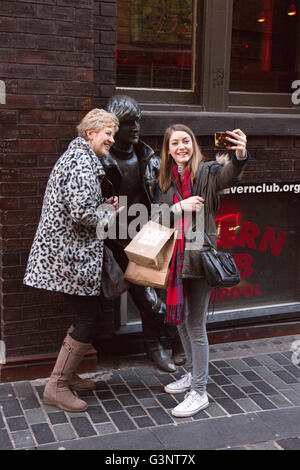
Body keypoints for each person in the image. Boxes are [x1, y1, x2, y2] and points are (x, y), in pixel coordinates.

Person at [23, 109, 121, 412]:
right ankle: (58, 385)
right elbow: (81, 215)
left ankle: (68, 374)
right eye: (108, 132)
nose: (112, 139)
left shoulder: (80, 159)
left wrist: (101, 204)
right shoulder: (80, 162)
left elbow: (79, 205)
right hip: (69, 259)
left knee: (85, 314)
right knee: (88, 316)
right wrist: (108, 213)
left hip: (68, 257)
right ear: (90, 133)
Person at [157, 124, 248, 417]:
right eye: (175, 143)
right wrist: (179, 207)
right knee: (182, 322)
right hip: (175, 260)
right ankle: (193, 374)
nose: (181, 147)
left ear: (193, 145)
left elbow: (229, 174)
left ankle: (199, 391)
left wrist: (240, 153)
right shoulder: (165, 180)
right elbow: (157, 214)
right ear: (168, 150)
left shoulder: (207, 172)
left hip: (199, 259)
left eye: (186, 141)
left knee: (195, 326)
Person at [103, 94, 184, 372]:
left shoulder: (146, 155)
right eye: (129, 123)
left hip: (148, 232)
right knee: (148, 298)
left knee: (155, 294)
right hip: (117, 238)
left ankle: (157, 347)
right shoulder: (102, 160)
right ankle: (174, 341)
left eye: (138, 121)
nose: (136, 127)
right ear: (114, 126)